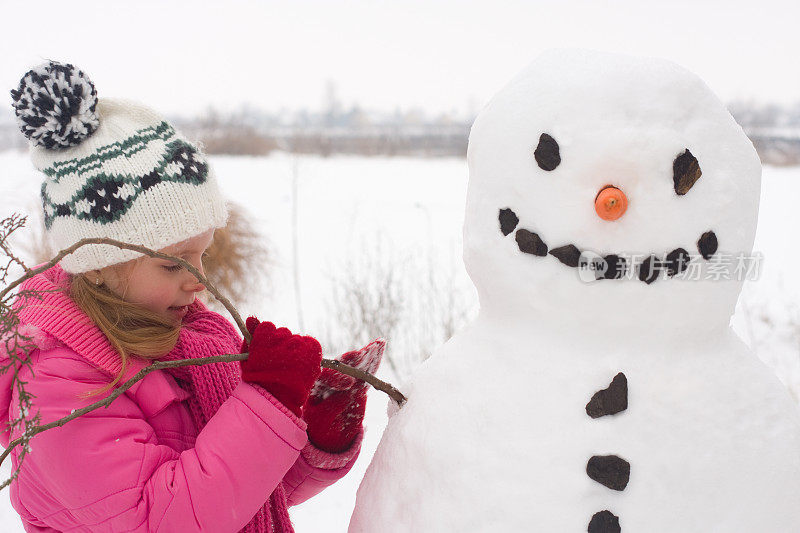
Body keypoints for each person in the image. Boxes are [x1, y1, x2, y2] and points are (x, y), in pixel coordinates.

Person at [0, 61, 383, 532]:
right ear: (97, 265)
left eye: (202, 255)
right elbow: (167, 521)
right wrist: (267, 400)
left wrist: (312, 432)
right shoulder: (60, 383)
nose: (199, 280)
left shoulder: (192, 340)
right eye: (172, 263)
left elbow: (245, 497)